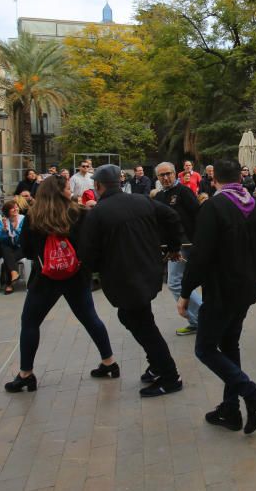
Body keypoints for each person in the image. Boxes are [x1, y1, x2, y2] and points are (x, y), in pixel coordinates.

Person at [178, 158, 256, 434]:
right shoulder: (254, 205)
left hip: (222, 290)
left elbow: (200, 255)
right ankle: (230, 409)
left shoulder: (213, 206)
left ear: (214, 180)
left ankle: (254, 395)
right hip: (246, 288)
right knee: (229, 344)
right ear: (239, 176)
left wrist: (185, 292)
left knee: (205, 349)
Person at [79, 164, 185, 398]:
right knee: (134, 318)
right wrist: (173, 246)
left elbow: (87, 253)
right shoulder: (141, 201)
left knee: (143, 324)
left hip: (125, 279)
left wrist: (98, 269)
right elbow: (171, 216)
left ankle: (170, 376)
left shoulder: (98, 213)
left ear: (98, 186)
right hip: (147, 272)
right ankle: (158, 366)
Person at [4, 175, 117, 393]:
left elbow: (26, 250)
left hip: (45, 279)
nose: (71, 190)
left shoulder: (33, 217)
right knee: (90, 318)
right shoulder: (79, 214)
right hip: (76, 276)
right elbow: (91, 244)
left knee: (30, 322)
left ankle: (26, 374)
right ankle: (109, 361)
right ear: (60, 192)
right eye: (67, 188)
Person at [153, 162, 203, 336]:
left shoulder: (184, 192)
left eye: (169, 174)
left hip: (186, 245)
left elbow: (198, 216)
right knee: (179, 282)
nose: (166, 178)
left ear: (176, 174)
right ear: (157, 178)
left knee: (175, 283)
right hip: (171, 247)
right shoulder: (158, 196)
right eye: (162, 175)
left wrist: (197, 242)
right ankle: (199, 319)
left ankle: (201, 318)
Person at [0, 200, 25, 293]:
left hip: (22, 247)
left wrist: (16, 227)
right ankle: (14, 274)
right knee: (5, 248)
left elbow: (25, 236)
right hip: (9, 247)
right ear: (7, 211)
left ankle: (9, 284)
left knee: (7, 260)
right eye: (12, 208)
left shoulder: (23, 219)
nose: (15, 209)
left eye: (16, 207)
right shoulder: (3, 221)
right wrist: (4, 230)